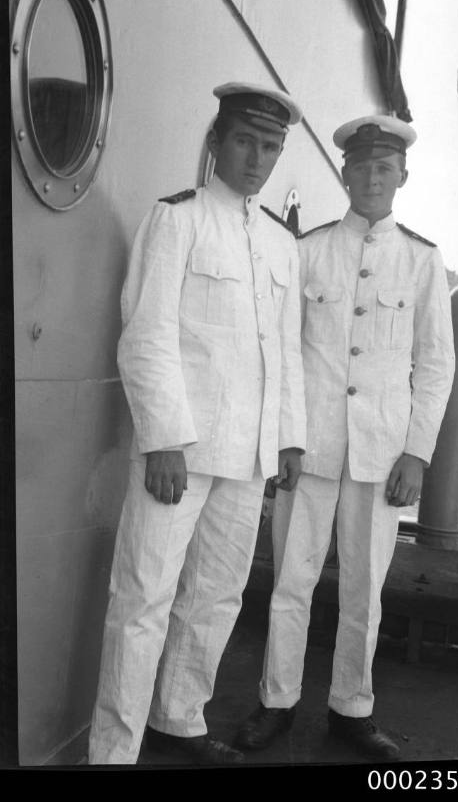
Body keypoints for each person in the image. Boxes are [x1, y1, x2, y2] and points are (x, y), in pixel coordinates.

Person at [88, 82, 307, 765]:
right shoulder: (176, 218)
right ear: (216, 141)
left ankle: (178, 715)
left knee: (215, 596)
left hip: (248, 456)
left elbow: (285, 349)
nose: (257, 157)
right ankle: (112, 752)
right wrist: (162, 438)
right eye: (245, 139)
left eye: (270, 146)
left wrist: (288, 438)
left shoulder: (280, 243)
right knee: (144, 598)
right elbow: (147, 331)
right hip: (179, 452)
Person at [235, 115, 455, 762]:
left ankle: (350, 708)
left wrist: (417, 452)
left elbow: (436, 364)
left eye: (383, 167)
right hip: (310, 449)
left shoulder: (422, 259)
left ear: (401, 177)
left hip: (383, 456)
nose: (370, 178)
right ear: (345, 173)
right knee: (292, 581)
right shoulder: (311, 249)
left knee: (365, 587)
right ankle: (276, 700)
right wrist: (286, 436)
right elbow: (284, 349)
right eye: (359, 166)